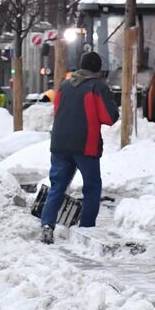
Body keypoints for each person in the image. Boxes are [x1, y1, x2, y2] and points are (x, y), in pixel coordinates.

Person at [39, 50, 118, 243]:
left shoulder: (64, 86)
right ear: (98, 70)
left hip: (59, 144)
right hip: (85, 145)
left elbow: (57, 110)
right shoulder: (97, 87)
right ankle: (87, 228)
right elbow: (109, 117)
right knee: (91, 187)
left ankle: (47, 224)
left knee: (57, 186)